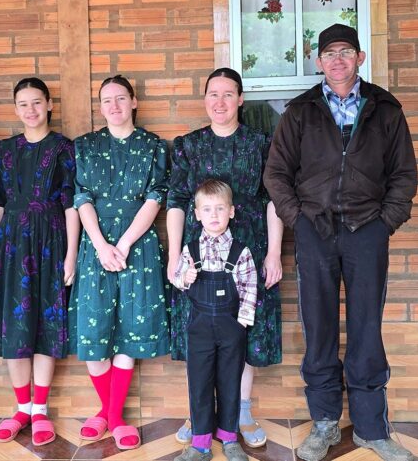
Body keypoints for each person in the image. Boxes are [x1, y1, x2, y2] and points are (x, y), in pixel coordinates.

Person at [263, 23, 417, 461]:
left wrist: (386, 222)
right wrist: (298, 219)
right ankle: (326, 422)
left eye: (346, 52)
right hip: (316, 230)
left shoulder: (385, 109)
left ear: (360, 58)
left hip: (368, 229)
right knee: (319, 327)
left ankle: (371, 428)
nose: (337, 60)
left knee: (367, 327)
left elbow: (404, 174)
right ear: (318, 62)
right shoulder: (300, 111)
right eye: (329, 53)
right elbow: (276, 174)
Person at [167, 67, 284, 449]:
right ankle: (198, 413)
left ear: (240, 99)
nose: (220, 102)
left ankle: (242, 411)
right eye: (213, 94)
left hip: (248, 247)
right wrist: (174, 255)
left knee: (242, 328)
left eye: (228, 94)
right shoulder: (187, 145)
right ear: (205, 100)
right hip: (198, 253)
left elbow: (274, 202)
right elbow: (176, 203)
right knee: (200, 328)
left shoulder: (261, 144)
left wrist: (276, 253)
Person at [71, 75, 170, 450]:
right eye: (106, 100)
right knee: (93, 330)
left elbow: (155, 198)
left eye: (120, 98)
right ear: (100, 107)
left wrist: (125, 243)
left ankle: (110, 416)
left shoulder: (154, 147)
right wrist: (100, 244)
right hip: (94, 245)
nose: (113, 106)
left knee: (131, 325)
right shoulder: (84, 147)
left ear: (133, 102)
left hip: (138, 245)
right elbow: (81, 197)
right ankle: (113, 415)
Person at [0, 77, 80, 447]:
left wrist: (71, 253)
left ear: (49, 104)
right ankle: (20, 407)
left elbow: (72, 205)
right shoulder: (3, 152)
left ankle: (39, 410)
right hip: (11, 247)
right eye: (23, 104)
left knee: (44, 324)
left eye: (37, 102)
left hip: (52, 243)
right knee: (15, 327)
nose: (31, 110)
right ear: (15, 108)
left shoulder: (64, 149)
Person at [170, 179, 257, 461]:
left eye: (220, 209)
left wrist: (243, 322)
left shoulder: (240, 250)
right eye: (207, 210)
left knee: (230, 380)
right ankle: (201, 443)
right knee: (200, 382)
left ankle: (230, 438)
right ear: (197, 214)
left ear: (231, 211)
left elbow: (249, 286)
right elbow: (178, 281)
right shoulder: (191, 250)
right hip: (200, 327)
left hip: (232, 327)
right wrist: (186, 277)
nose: (214, 215)